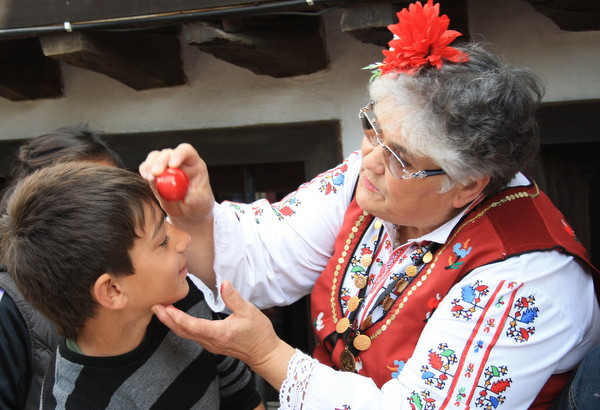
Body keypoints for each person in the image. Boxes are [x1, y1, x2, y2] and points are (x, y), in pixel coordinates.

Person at [140, 1, 600, 408]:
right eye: (372, 127)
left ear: (466, 185)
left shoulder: (525, 281)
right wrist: (197, 216)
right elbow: (265, 253)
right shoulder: (371, 177)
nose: (369, 161)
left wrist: (267, 354)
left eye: (400, 156)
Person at [0, 162, 264, 409]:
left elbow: (243, 399)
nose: (183, 239)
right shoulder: (77, 401)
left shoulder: (185, 299)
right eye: (162, 240)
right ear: (112, 290)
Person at [0, 126, 125, 410]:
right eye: (82, 196)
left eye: (113, 189)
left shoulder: (137, 284)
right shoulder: (8, 306)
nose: (104, 206)